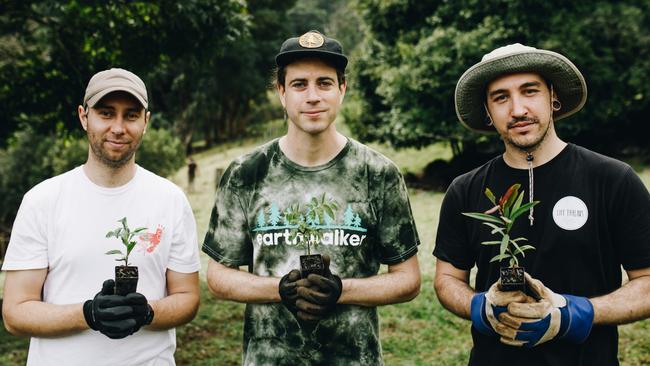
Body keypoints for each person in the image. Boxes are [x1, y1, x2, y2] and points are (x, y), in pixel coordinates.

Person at [203, 30, 421, 365]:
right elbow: (218, 276)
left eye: (324, 83)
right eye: (299, 84)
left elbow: (408, 279)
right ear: (281, 92)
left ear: (342, 90)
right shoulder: (246, 172)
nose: (313, 96)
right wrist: (280, 289)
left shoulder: (377, 172)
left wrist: (340, 290)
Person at [433, 43, 650, 365]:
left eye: (530, 91)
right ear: (488, 113)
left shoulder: (612, 179)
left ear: (553, 97)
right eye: (501, 97)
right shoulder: (465, 189)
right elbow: (447, 278)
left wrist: (576, 314)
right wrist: (480, 307)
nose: (518, 109)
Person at [1, 68, 201, 365]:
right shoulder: (42, 200)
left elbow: (188, 297)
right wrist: (88, 314)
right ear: (84, 117)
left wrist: (146, 313)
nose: (118, 127)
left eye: (131, 115)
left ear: (145, 121)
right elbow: (15, 313)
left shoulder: (170, 199)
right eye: (106, 113)